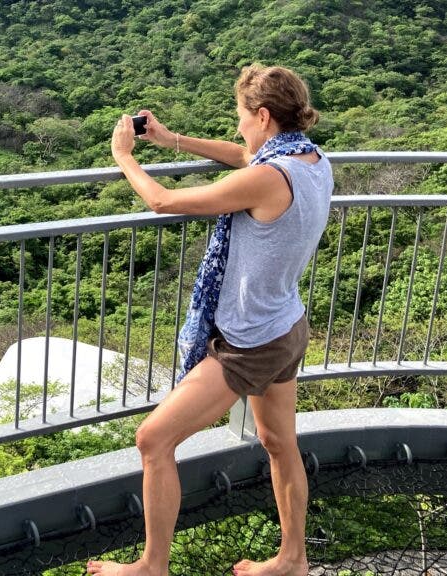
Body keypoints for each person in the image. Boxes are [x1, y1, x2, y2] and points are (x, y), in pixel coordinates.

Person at [86, 64, 333, 576]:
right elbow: (245, 156)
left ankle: (152, 566)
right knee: (279, 443)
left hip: (249, 344)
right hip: (288, 325)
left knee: (153, 440)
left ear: (263, 116)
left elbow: (162, 200)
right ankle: (293, 558)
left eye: (242, 117)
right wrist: (171, 139)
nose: (239, 127)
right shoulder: (309, 159)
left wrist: (124, 157)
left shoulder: (267, 178)